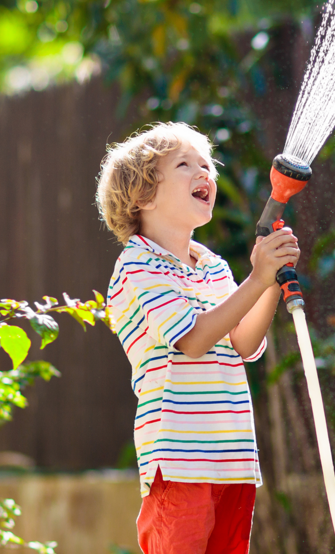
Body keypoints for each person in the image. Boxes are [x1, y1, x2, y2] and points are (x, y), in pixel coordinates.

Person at [96, 122, 299, 553]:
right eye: (185, 164)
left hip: (233, 457)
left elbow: (243, 344)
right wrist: (256, 277)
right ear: (144, 196)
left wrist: (265, 281)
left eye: (206, 164)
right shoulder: (138, 265)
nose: (204, 171)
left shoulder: (213, 267)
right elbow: (192, 339)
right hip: (179, 459)